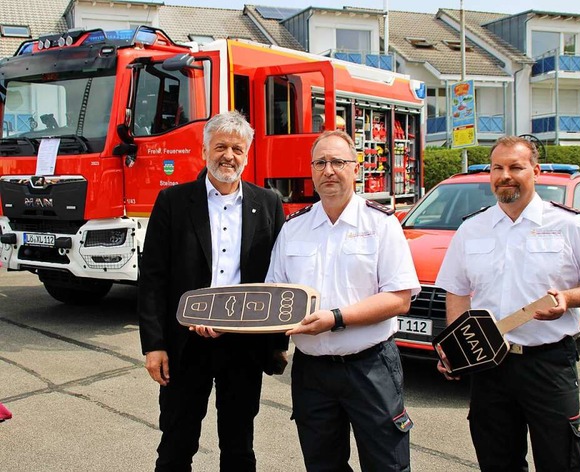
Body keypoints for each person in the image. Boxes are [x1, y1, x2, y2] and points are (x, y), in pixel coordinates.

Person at [435, 136, 580, 471]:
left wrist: (568, 298)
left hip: (548, 364)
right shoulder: (472, 228)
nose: (505, 175)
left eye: (515, 167)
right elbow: (457, 291)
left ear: (535, 171)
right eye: (497, 168)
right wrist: (458, 345)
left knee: (560, 460)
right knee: (496, 460)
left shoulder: (568, 224)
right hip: (490, 367)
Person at [138, 110, 287, 472]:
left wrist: (278, 342)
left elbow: (279, 279)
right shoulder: (173, 203)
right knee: (176, 443)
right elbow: (153, 276)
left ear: (247, 154)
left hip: (243, 346)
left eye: (237, 148)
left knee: (238, 447)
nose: (228, 156)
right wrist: (154, 344)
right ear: (204, 150)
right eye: (220, 146)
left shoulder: (268, 204)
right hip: (184, 347)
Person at [266, 130, 420, 472]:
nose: (329, 170)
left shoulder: (381, 224)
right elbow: (274, 296)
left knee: (387, 465)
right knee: (322, 466)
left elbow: (399, 299)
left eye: (338, 161)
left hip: (371, 367)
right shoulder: (294, 228)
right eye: (320, 162)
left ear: (356, 168)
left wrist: (335, 318)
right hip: (313, 372)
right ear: (311, 170)